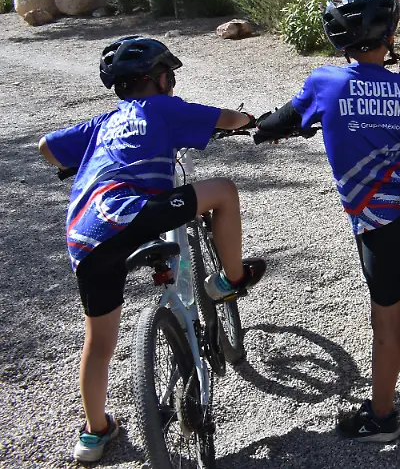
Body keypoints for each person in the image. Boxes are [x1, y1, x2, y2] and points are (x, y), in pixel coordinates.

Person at [255, 0, 400, 442]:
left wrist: (263, 128)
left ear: (338, 39)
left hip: (376, 217)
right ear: (391, 36)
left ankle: (381, 418)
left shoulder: (324, 83)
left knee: (387, 320)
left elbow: (289, 116)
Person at [38, 36, 266, 462]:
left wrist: (76, 161)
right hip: (134, 210)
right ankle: (230, 279)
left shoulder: (102, 123)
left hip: (85, 237)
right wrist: (251, 119)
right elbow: (228, 119)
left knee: (99, 341)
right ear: (158, 79)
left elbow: (46, 147)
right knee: (223, 191)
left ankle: (94, 433)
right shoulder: (163, 108)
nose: (173, 84)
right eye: (171, 76)